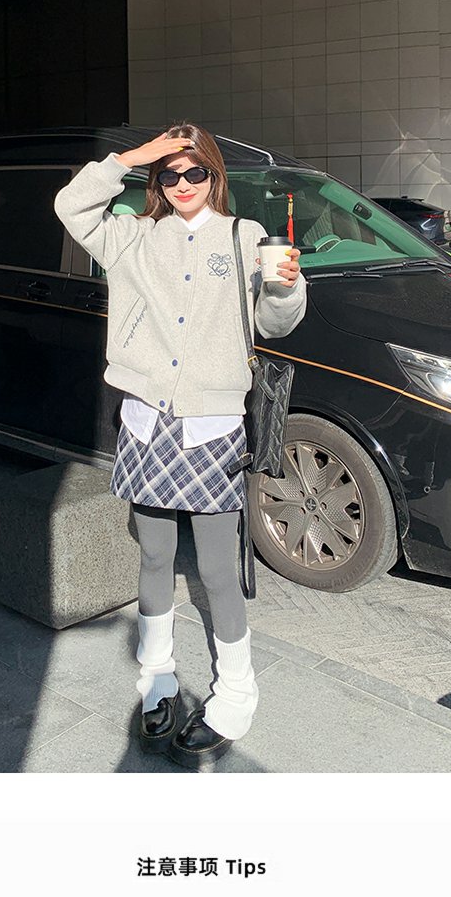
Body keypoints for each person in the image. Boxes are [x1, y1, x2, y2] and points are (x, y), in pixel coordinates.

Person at [53, 124, 307, 767]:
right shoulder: (131, 235)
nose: (184, 184)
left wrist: (285, 288)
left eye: (196, 172)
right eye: (170, 174)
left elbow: (274, 324)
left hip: (212, 423)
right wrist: (131, 158)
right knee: (154, 555)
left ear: (214, 176)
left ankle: (236, 694)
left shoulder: (245, 236)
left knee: (218, 568)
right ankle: (157, 680)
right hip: (147, 420)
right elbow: (69, 206)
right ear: (157, 181)